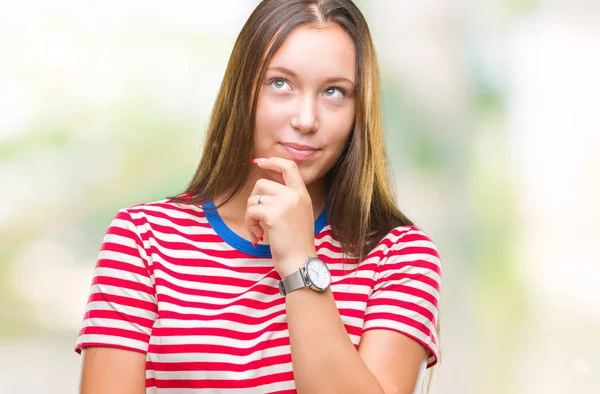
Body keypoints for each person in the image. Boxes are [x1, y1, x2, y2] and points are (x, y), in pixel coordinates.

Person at [76, 0, 442, 393]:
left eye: (334, 92)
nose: (305, 119)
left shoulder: (399, 256)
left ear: (359, 110)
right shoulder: (143, 240)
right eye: (280, 83)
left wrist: (300, 262)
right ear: (242, 92)